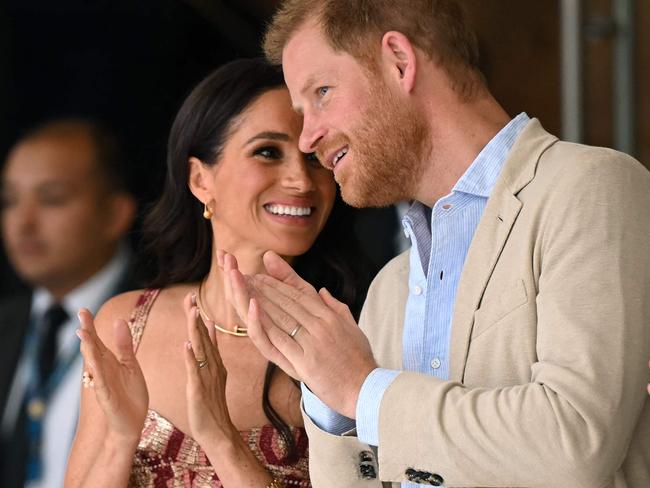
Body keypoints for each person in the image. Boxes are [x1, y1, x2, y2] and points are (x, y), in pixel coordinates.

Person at [220, 1, 650, 487]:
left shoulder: (589, 186)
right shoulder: (390, 287)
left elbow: (576, 442)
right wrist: (328, 390)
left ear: (399, 61)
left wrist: (362, 388)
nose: (308, 138)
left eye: (322, 92)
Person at [65, 58, 370, 487]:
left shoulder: (349, 337)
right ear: (199, 180)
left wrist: (221, 439)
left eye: (313, 158)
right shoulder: (127, 324)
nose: (301, 180)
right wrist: (120, 438)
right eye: (268, 152)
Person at [0, 118, 137, 488]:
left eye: (52, 198)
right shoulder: (7, 324)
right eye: (9, 201)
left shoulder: (153, 316)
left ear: (115, 214)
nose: (23, 222)